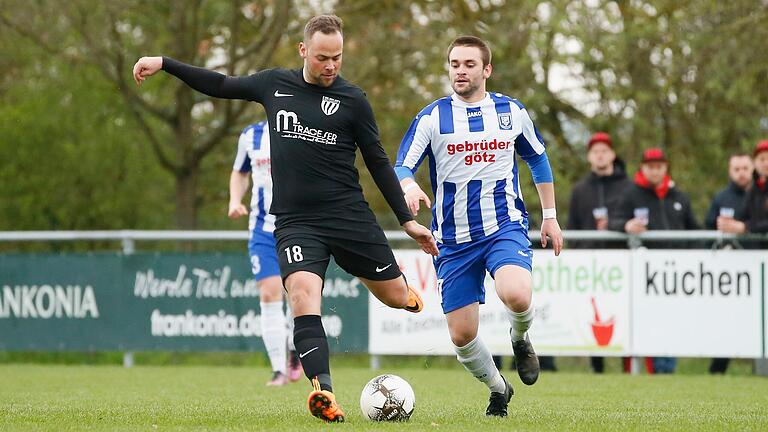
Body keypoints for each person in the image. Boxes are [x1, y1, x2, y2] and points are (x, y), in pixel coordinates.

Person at [133, 15, 438, 423]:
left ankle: (400, 286)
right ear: (303, 51)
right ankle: (324, 393)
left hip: (349, 217)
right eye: (322, 57)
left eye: (338, 58)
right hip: (297, 222)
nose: (330, 65)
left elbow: (378, 163)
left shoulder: (354, 100)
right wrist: (166, 63)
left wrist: (406, 221)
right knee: (301, 298)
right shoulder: (275, 84)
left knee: (397, 298)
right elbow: (221, 85)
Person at [394, 36, 563, 417]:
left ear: (486, 70)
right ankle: (498, 388)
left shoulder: (511, 111)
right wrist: (409, 185)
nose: (460, 71)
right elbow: (402, 165)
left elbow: (537, 160)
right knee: (462, 335)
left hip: (504, 225)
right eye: (454, 64)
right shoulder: (433, 117)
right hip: (452, 240)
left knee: (517, 294)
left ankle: (520, 340)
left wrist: (550, 216)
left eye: (469, 64)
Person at [610, 147, 699, 374]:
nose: (655, 171)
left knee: (673, 324)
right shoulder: (630, 194)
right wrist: (626, 226)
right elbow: (614, 221)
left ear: (666, 167)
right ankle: (648, 371)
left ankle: (666, 371)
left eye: (659, 166)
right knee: (650, 323)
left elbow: (695, 230)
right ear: (643, 167)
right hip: (645, 274)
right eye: (651, 166)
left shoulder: (679, 196)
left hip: (678, 273)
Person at [229, 121, 303, 386]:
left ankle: (296, 350)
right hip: (262, 230)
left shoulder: (302, 128)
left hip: (297, 228)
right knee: (269, 293)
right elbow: (239, 172)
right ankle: (278, 370)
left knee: (298, 295)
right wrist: (234, 201)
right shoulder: (250, 135)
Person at [567, 131, 633, 374]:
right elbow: (572, 227)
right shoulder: (580, 190)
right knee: (594, 316)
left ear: (613, 155)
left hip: (621, 264)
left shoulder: (629, 187)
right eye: (595, 151)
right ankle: (597, 368)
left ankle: (630, 367)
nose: (600, 156)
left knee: (624, 315)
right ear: (589, 157)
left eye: (604, 151)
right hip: (590, 266)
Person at [703, 152, 753, 374]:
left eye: (745, 168)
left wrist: (744, 228)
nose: (741, 173)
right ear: (730, 171)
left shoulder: (761, 194)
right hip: (730, 275)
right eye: (737, 169)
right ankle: (717, 370)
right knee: (728, 322)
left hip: (758, 266)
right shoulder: (722, 198)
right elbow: (707, 228)